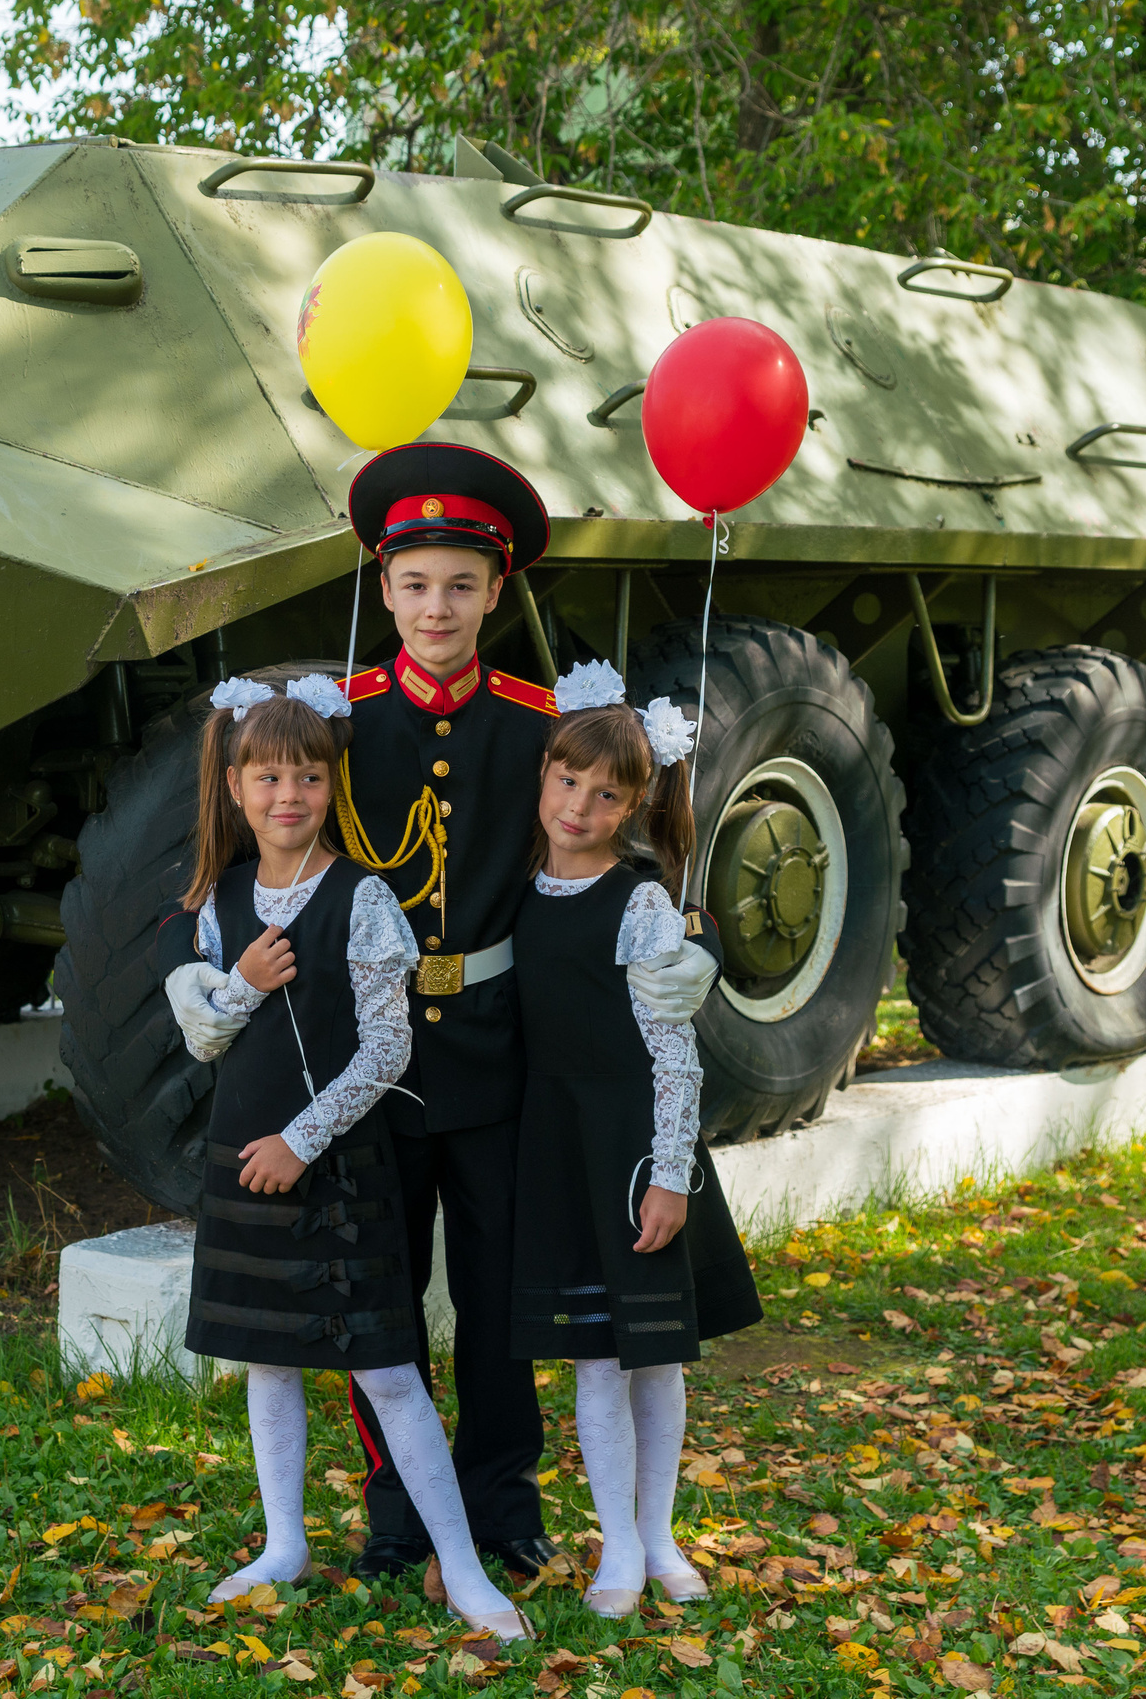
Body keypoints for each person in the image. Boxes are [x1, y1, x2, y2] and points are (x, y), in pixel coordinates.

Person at [166, 442, 724, 1587]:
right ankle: (396, 1516)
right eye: (414, 584)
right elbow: (260, 845)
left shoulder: (539, 724)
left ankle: (503, 1504)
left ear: (496, 592)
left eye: (461, 586)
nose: (436, 608)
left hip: (496, 1042)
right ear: (383, 588)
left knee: (497, 1282)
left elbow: (602, 851)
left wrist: (685, 947)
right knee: (378, 1291)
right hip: (356, 1052)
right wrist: (209, 976)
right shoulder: (335, 724)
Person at [177, 673, 531, 1641]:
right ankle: (283, 1541)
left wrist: (300, 1140)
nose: (285, 796)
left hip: (332, 1165)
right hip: (240, 1160)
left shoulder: (363, 896)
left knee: (385, 1369)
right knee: (268, 1361)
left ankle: (460, 1566)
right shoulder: (218, 900)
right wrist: (241, 984)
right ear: (235, 785)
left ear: (330, 787)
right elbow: (205, 1038)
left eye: (305, 777)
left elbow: (388, 1049)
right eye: (266, 777)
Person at [509, 661, 764, 1619]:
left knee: (653, 1355)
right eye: (566, 782)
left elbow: (674, 1053)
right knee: (593, 1357)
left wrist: (670, 1175)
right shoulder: (516, 890)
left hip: (633, 1151)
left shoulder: (643, 901)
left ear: (633, 805)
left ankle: (658, 1535)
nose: (578, 805)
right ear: (543, 776)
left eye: (604, 794)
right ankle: (615, 1542)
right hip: (556, 1147)